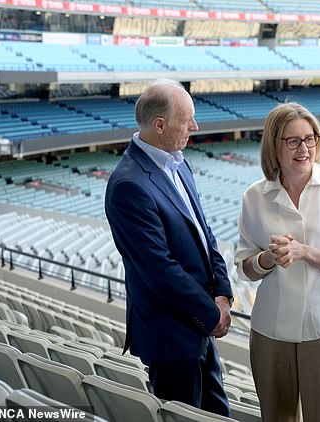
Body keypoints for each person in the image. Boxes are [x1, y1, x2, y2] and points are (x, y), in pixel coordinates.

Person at [104, 79, 233, 416]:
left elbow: (204, 234)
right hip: (172, 337)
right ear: (160, 125)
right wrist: (211, 314)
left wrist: (222, 293)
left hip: (200, 324)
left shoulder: (178, 162)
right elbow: (159, 270)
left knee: (217, 414)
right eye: (187, 119)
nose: (195, 126)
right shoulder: (128, 185)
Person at [235, 102, 320, 422]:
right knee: (277, 416)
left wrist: (305, 252)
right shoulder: (255, 196)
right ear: (274, 145)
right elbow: (244, 268)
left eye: (310, 139)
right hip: (270, 329)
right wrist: (267, 258)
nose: (304, 148)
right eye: (292, 141)